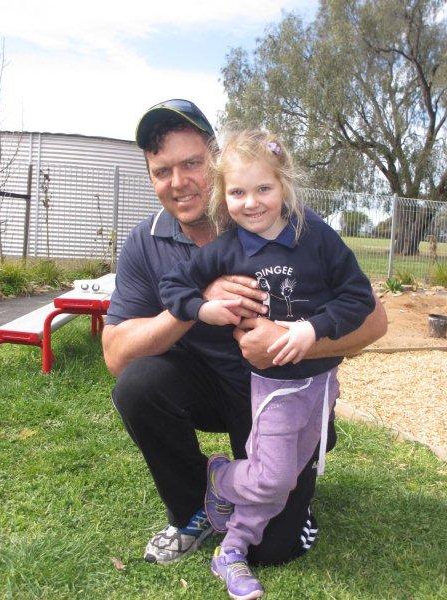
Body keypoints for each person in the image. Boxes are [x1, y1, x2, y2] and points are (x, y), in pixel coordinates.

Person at [102, 99, 387, 571]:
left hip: (277, 388)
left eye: (191, 163)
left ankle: (285, 480)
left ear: (215, 162)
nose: (178, 182)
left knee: (274, 550)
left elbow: (374, 321)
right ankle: (195, 508)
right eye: (162, 171)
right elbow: (116, 356)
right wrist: (199, 303)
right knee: (138, 384)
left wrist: (292, 339)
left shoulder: (284, 222)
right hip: (201, 384)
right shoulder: (145, 241)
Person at [158, 129, 375, 599]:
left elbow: (358, 297)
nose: (251, 203)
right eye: (237, 192)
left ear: (285, 186)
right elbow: (174, 285)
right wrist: (202, 308)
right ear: (223, 196)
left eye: (263, 189)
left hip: (321, 386)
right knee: (271, 476)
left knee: (281, 483)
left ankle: (230, 549)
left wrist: (312, 330)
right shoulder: (227, 249)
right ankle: (220, 476)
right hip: (273, 388)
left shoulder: (314, 235)